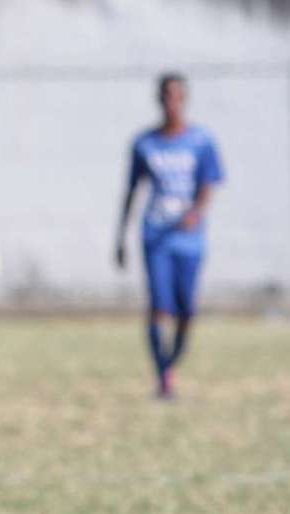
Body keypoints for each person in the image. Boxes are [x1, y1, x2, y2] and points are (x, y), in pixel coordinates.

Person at [116, 72, 223, 399]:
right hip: (156, 235)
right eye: (166, 96)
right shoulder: (144, 143)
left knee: (186, 309)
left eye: (178, 96)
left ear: (185, 99)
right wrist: (119, 236)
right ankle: (164, 377)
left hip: (189, 237)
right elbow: (132, 190)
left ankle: (171, 363)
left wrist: (196, 212)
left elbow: (208, 184)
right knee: (159, 305)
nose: (172, 102)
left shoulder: (201, 140)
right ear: (159, 99)